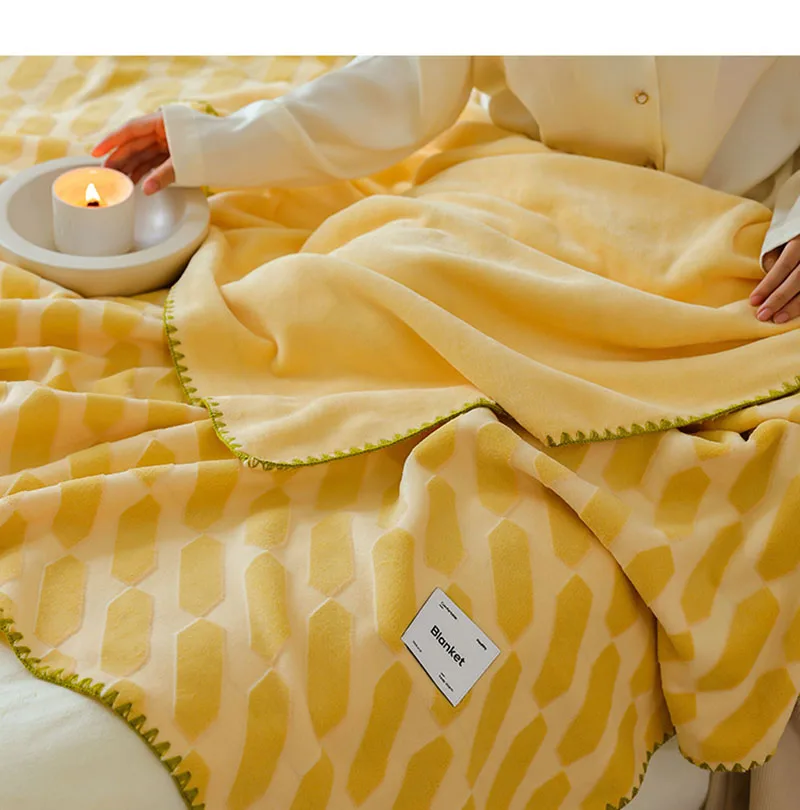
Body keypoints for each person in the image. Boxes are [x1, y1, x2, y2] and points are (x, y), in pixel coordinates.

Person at [93, 56, 800, 324]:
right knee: (358, 283)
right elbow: (404, 83)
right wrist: (213, 144)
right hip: (533, 197)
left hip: (743, 237)